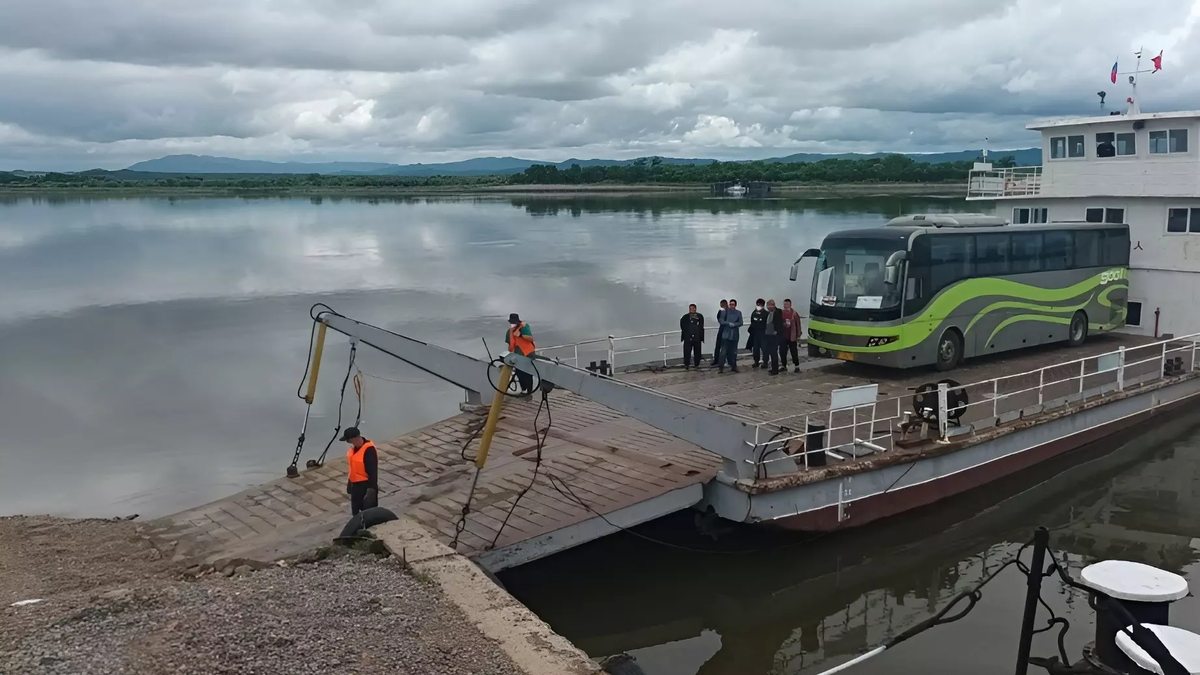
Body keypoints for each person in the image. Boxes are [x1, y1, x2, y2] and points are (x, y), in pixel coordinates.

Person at [341, 426, 379, 516]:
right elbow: (353, 468)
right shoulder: (355, 449)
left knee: (368, 512)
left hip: (366, 485)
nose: (348, 443)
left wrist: (371, 490)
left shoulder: (369, 450)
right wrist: (350, 482)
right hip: (356, 485)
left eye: (348, 441)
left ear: (354, 439)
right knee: (355, 512)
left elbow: (372, 472)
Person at [506, 313, 536, 396]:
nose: (513, 324)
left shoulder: (524, 327)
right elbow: (510, 344)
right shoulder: (509, 331)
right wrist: (509, 354)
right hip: (517, 355)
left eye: (514, 322)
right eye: (511, 322)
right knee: (519, 373)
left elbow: (531, 338)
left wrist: (521, 335)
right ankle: (523, 390)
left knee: (527, 373)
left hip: (528, 353)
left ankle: (529, 391)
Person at [719, 299, 743, 373]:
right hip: (726, 335)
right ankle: (721, 368)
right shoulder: (725, 312)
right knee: (723, 352)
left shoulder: (738, 313)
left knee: (734, 352)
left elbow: (741, 322)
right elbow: (721, 320)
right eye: (730, 304)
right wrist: (728, 323)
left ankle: (734, 366)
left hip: (735, 335)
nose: (731, 306)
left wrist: (734, 324)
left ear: (735, 305)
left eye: (733, 304)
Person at [761, 299, 784, 375]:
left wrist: (776, 332)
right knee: (770, 351)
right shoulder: (768, 313)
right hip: (768, 335)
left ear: (773, 305)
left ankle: (775, 369)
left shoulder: (778, 312)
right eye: (768, 306)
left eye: (770, 305)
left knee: (774, 352)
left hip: (774, 335)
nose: (769, 307)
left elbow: (780, 323)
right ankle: (773, 367)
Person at [679, 303, 704, 370]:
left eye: (693, 308)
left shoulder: (700, 316)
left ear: (695, 309)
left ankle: (697, 364)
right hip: (688, 337)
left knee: (697, 351)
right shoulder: (685, 317)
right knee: (687, 351)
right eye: (690, 309)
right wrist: (686, 333)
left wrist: (701, 335)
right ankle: (686, 364)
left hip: (697, 337)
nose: (692, 310)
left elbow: (701, 326)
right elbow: (682, 325)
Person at [780, 298, 801, 373]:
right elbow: (778, 323)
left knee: (794, 352)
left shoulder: (794, 313)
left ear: (790, 304)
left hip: (792, 336)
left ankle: (797, 366)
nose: (786, 306)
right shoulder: (781, 313)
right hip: (783, 336)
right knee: (782, 352)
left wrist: (798, 335)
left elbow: (798, 324)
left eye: (787, 304)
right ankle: (783, 365)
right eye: (784, 304)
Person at [748, 298, 767, 368]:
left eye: (760, 304)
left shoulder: (765, 313)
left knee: (764, 348)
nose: (758, 305)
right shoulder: (754, 313)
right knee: (755, 348)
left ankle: (765, 362)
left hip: (763, 334)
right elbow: (752, 322)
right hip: (755, 334)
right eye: (757, 304)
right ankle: (756, 361)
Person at [710, 299, 728, 367]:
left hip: (727, 330)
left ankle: (724, 360)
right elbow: (718, 318)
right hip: (721, 329)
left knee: (725, 346)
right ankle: (716, 360)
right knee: (718, 346)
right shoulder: (720, 311)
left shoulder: (729, 311)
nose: (722, 306)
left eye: (723, 304)